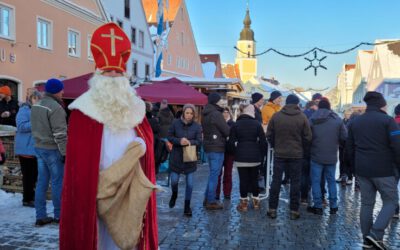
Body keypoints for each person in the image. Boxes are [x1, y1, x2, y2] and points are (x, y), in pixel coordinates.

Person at [59, 23, 158, 250]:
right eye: (108, 72)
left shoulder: (136, 108)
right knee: (99, 241)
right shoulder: (82, 112)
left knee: (127, 240)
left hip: (129, 192)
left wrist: (142, 145)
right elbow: (78, 167)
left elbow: (148, 146)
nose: (113, 76)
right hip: (95, 194)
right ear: (98, 74)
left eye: (117, 72)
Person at [346, 92, 400, 249]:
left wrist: (353, 167)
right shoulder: (388, 121)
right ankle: (375, 234)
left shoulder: (356, 122)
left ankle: (367, 240)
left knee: (366, 204)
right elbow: (397, 147)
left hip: (362, 170)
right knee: (391, 201)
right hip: (384, 170)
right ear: (381, 104)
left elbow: (349, 148)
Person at [266, 94, 312, 220]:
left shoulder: (277, 116)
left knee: (276, 181)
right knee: (295, 182)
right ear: (297, 104)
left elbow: (269, 134)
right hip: (296, 155)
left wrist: (276, 145)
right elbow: (308, 137)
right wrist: (301, 148)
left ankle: (272, 209)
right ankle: (294, 210)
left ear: (286, 103)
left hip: (280, 153)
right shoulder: (302, 117)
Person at [31, 79, 67, 226]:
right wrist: (65, 152)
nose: (63, 92)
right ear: (56, 91)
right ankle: (59, 215)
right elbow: (60, 134)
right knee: (57, 183)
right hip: (52, 149)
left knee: (42, 183)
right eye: (61, 90)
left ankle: (40, 216)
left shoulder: (36, 105)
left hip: (39, 148)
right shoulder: (56, 108)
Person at [307, 98, 347, 215]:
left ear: (319, 107)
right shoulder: (337, 119)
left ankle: (318, 206)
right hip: (331, 155)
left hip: (316, 154)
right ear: (329, 107)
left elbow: (307, 136)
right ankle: (333, 206)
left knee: (315, 181)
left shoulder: (313, 119)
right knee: (331, 181)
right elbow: (344, 136)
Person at [229, 103, 267, 212]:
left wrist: (235, 152)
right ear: (250, 111)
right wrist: (261, 154)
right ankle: (256, 203)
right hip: (255, 157)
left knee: (243, 180)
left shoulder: (236, 125)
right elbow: (263, 142)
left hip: (241, 157)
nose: (255, 112)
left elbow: (231, 143)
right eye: (253, 110)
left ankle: (244, 204)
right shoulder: (257, 124)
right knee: (254, 179)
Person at [168, 104, 202, 217]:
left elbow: (199, 141)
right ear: (183, 113)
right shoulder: (175, 123)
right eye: (187, 113)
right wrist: (179, 141)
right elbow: (169, 136)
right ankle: (174, 194)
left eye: (191, 113)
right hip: (176, 157)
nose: (189, 115)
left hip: (189, 158)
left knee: (190, 184)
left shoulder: (197, 126)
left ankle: (187, 207)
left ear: (193, 114)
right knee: (174, 181)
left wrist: (189, 142)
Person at [202, 92, 230, 210]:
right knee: (215, 174)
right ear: (215, 101)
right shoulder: (216, 114)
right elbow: (227, 130)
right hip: (217, 147)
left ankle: (207, 198)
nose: (221, 102)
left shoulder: (206, 113)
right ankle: (211, 201)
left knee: (212, 173)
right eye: (219, 100)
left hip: (208, 147)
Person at [14, 90, 42, 207]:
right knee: (28, 175)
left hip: (34, 148)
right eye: (37, 99)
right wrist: (36, 123)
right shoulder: (24, 110)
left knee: (34, 174)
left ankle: (32, 196)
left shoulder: (36, 110)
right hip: (25, 147)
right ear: (31, 99)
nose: (39, 101)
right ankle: (27, 199)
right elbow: (21, 126)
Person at [216, 107, 235, 200]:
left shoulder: (233, 124)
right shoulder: (218, 123)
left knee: (228, 173)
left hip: (229, 152)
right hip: (219, 150)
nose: (225, 114)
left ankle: (227, 193)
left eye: (227, 112)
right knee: (217, 173)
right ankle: (216, 193)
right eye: (224, 112)